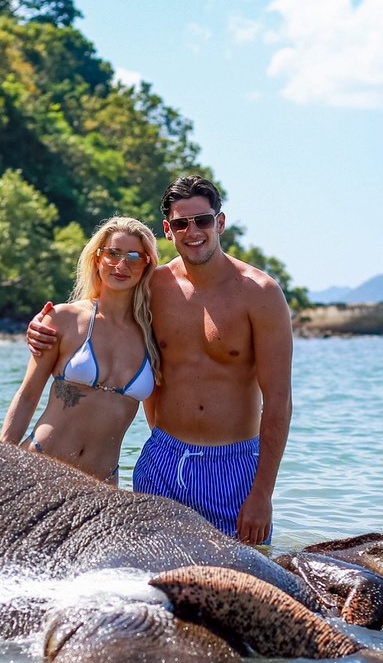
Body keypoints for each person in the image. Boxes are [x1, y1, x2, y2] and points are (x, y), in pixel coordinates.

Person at [28, 176, 293, 544]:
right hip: (164, 460)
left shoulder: (260, 294)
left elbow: (278, 401)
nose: (193, 231)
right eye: (182, 223)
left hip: (235, 465)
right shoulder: (154, 287)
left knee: (245, 584)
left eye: (202, 220)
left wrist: (262, 493)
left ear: (219, 223)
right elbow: (101, 313)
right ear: (168, 230)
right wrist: (42, 327)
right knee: (154, 584)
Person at [0, 216, 160, 486]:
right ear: (97, 258)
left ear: (147, 264)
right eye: (113, 253)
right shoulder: (64, 319)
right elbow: (28, 395)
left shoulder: (154, 335)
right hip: (41, 468)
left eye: (134, 256)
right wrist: (1, 459)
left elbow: (158, 423)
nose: (122, 265)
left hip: (103, 486)